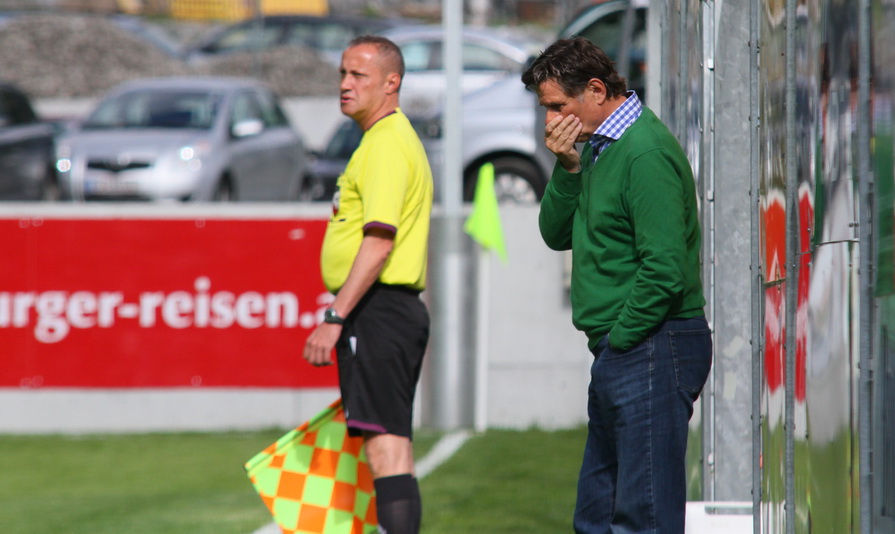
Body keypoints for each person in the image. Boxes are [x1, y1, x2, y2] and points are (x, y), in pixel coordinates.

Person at [521, 37, 713, 534]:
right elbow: (554, 234)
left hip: (652, 342)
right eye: (546, 110)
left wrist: (621, 339)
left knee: (642, 518)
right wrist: (567, 167)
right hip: (628, 347)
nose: (550, 122)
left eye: (557, 106)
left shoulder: (643, 151)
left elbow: (665, 269)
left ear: (596, 90)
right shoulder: (598, 148)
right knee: (597, 517)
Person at [303, 35, 433, 534]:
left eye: (359, 75)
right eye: (342, 73)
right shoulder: (380, 139)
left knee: (387, 449)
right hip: (382, 312)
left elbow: (379, 243)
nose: (345, 83)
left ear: (391, 82)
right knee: (388, 446)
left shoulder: (386, 144)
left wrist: (335, 315)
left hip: (379, 311)